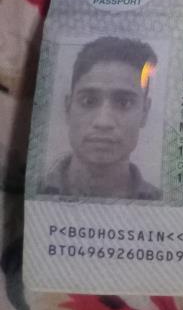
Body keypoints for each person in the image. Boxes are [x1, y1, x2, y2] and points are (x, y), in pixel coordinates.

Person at [41, 36, 161, 199]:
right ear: (68, 108)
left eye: (124, 103)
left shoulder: (161, 202)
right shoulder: (30, 190)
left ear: (144, 113)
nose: (103, 122)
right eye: (88, 101)